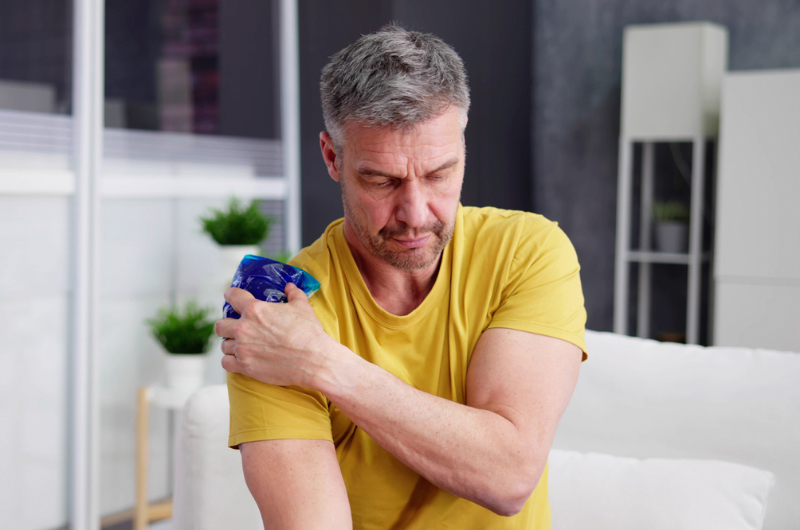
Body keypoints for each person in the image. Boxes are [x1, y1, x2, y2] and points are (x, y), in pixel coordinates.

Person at [215, 24, 587, 530]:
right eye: (382, 180)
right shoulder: (274, 311)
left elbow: (508, 476)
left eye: (439, 175)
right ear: (332, 157)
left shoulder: (527, 251)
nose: (415, 213)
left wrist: (323, 364)